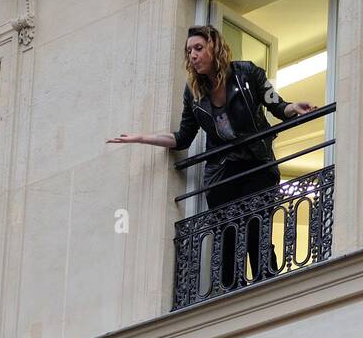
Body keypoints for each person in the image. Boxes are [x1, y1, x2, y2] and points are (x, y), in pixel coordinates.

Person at [109, 24, 314, 288]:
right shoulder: (193, 93)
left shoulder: (247, 73)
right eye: (189, 51)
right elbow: (182, 138)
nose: (193, 56)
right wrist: (141, 138)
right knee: (227, 238)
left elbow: (277, 104)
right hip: (222, 172)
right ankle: (229, 294)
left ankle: (269, 288)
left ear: (214, 48)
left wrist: (292, 108)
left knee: (256, 230)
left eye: (198, 48)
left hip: (256, 164)